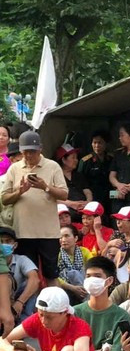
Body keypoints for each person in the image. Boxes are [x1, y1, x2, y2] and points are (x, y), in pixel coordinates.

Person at [1, 130, 69, 286]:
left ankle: (54, 300)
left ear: (40, 149)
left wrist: (45, 187)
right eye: (25, 152)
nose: (28, 155)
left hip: (48, 233)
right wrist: (20, 192)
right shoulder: (14, 168)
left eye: (32, 151)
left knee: (51, 274)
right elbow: (4, 199)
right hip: (23, 232)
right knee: (27, 275)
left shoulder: (53, 166)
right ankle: (28, 301)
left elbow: (64, 194)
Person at [73, 256, 130, 351]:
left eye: (97, 276)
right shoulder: (75, 312)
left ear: (109, 281)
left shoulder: (121, 316)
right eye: (88, 276)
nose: (91, 280)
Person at [0, 225, 39, 322]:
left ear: (15, 245)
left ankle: (24, 321)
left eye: (8, 241)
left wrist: (20, 302)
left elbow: (35, 279)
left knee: (31, 285)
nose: (4, 245)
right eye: (1, 241)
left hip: (17, 299)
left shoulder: (22, 260)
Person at [78, 130, 113, 207]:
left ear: (106, 144)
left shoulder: (111, 159)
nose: (97, 145)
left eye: (100, 143)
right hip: (92, 197)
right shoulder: (85, 161)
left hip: (109, 197)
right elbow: (80, 181)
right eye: (94, 142)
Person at [56, 144, 92, 220]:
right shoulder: (56, 176)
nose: (76, 160)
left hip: (83, 207)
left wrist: (88, 202)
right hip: (67, 209)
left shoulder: (78, 175)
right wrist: (72, 204)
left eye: (76, 157)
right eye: (73, 157)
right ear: (64, 160)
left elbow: (87, 191)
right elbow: (53, 198)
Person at [58, 224, 92, 304]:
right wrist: (73, 288)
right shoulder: (57, 255)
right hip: (66, 289)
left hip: (85, 285)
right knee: (73, 273)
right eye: (60, 237)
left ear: (75, 238)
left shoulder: (84, 251)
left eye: (66, 236)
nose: (63, 240)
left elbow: (93, 267)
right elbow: (55, 278)